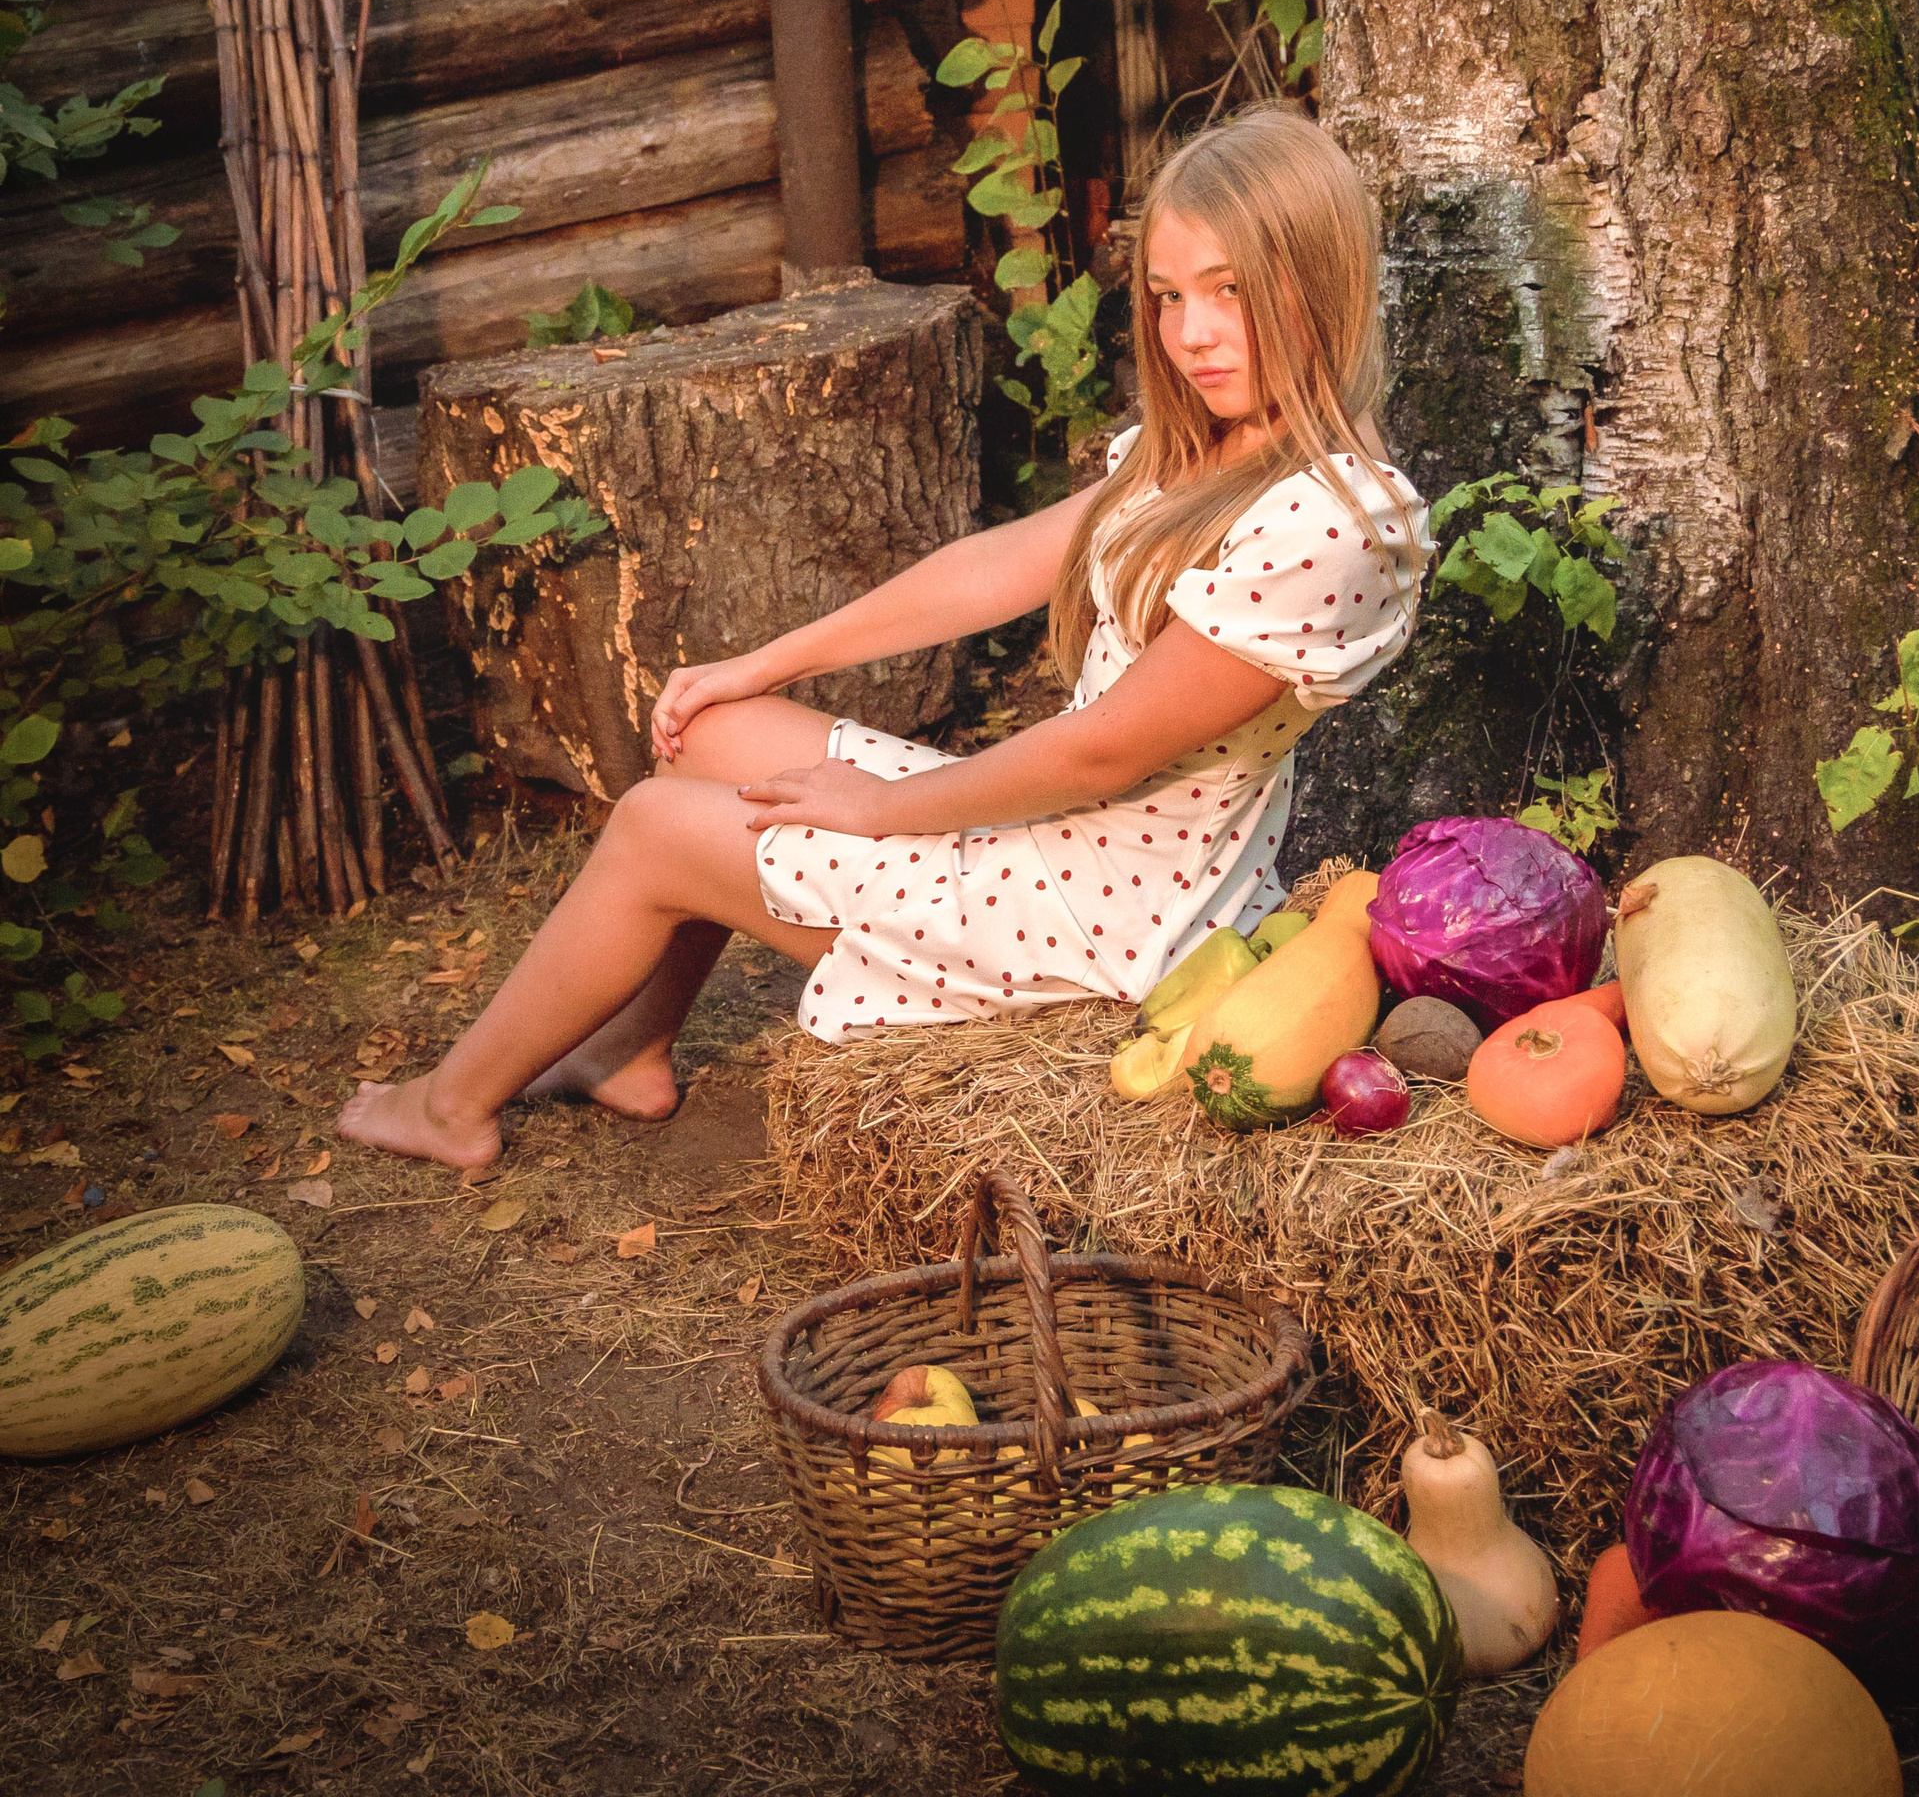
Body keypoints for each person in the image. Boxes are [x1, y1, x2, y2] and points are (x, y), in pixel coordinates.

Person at [338, 106, 1434, 1170]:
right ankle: (630, 1047)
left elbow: (1102, 752)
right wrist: (769, 659)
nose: (1191, 333)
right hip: (1065, 845)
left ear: (1319, 280)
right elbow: (995, 568)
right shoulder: (1201, 450)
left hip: (1111, 918)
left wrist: (880, 807)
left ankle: (451, 1105)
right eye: (1168, 296)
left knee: (653, 828)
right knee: (712, 733)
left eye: (1231, 291)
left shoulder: (1329, 522)